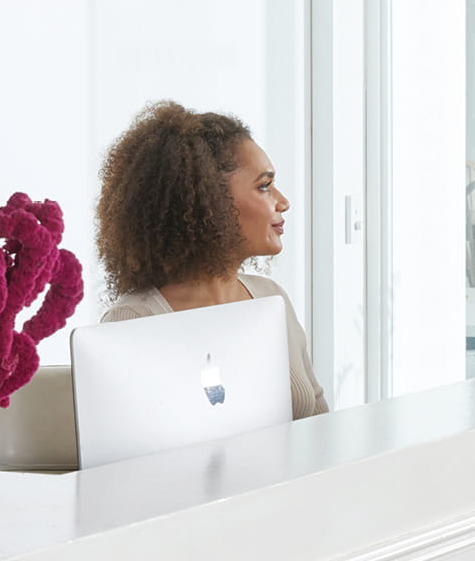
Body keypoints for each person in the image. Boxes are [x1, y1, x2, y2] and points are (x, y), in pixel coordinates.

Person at [95, 101, 329, 419]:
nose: (283, 202)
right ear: (210, 200)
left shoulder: (272, 298)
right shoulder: (133, 319)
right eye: (264, 187)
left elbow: (319, 419)